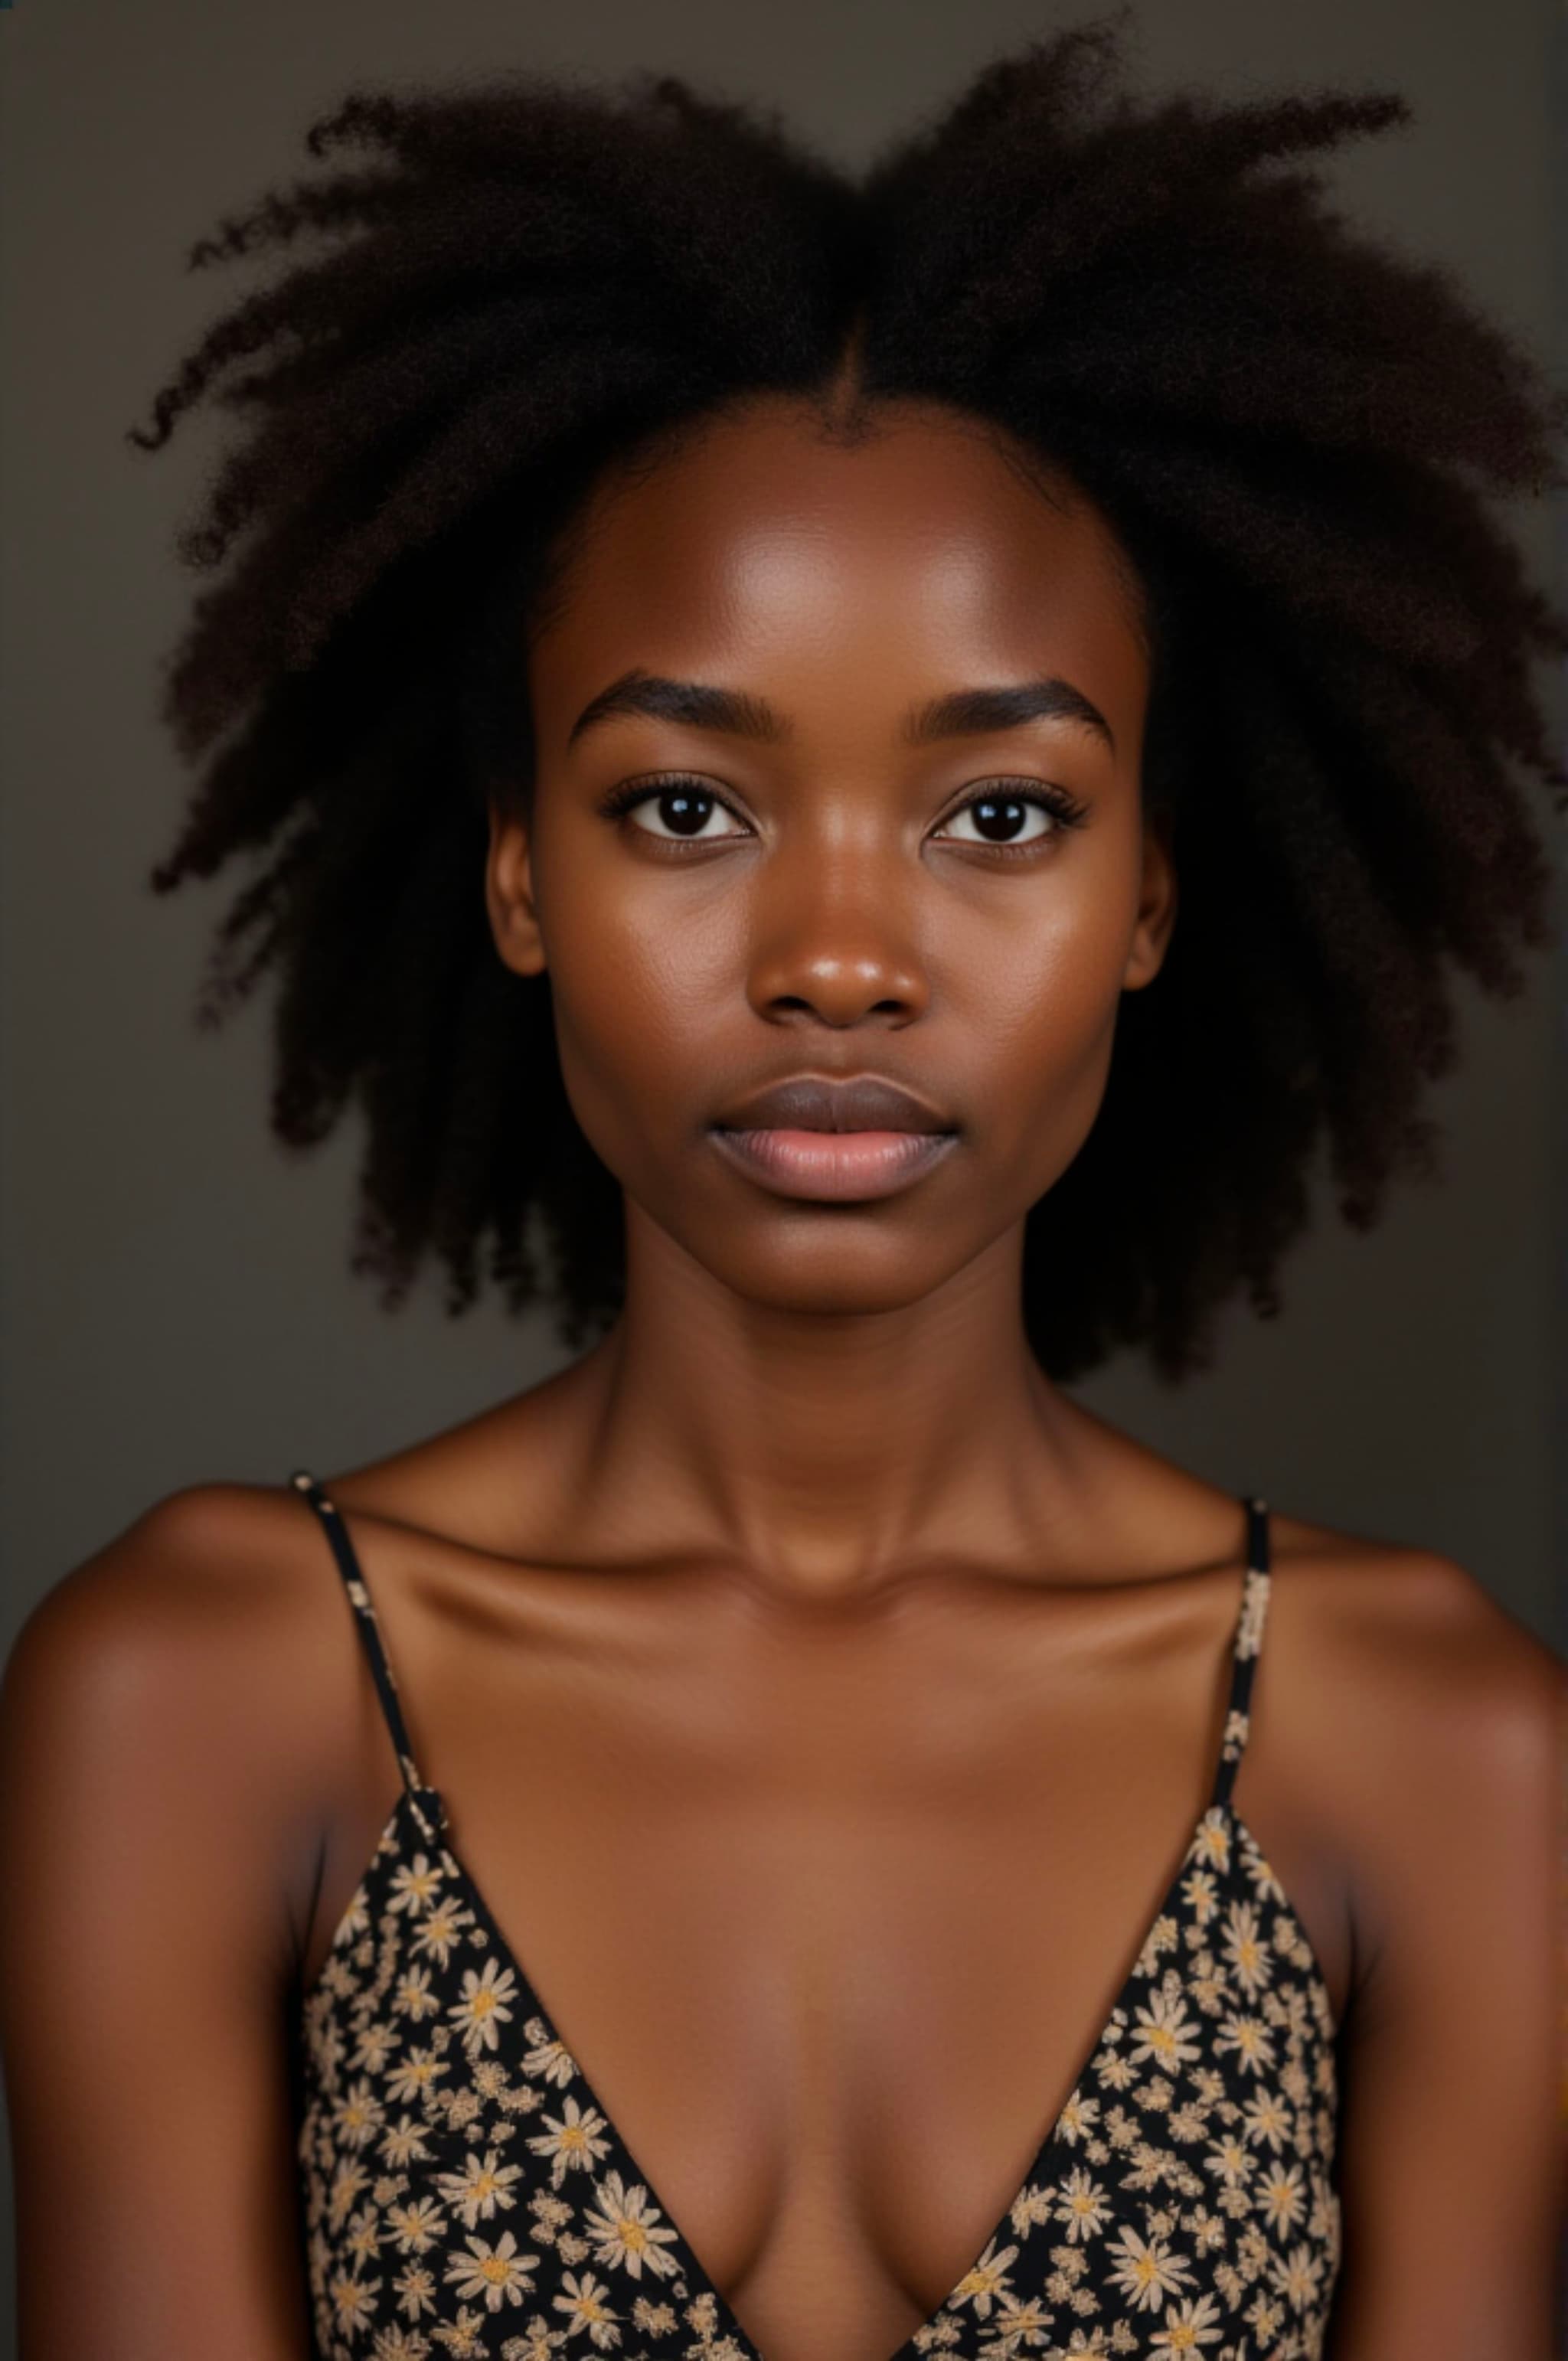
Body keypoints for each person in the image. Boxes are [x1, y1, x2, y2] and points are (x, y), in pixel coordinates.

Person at [1, 24, 1562, 2359]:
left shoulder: (1431, 1742)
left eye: (1003, 816)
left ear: (1154, 895)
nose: (840, 957)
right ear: (521, 873)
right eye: (687, 808)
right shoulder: (216, 1694)